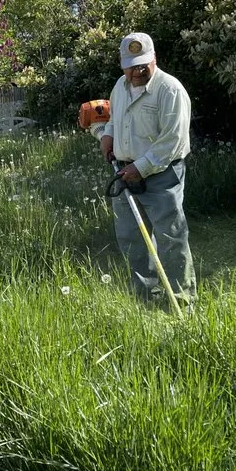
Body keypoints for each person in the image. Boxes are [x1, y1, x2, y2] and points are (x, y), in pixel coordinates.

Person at [100, 32, 196, 306]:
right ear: (122, 64)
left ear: (154, 58)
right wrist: (108, 135)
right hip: (124, 172)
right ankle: (146, 295)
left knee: (171, 237)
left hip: (162, 176)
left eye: (143, 63)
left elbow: (173, 140)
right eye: (132, 65)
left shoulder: (170, 90)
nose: (138, 70)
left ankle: (181, 299)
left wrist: (140, 168)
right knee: (132, 238)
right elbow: (116, 119)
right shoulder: (120, 86)